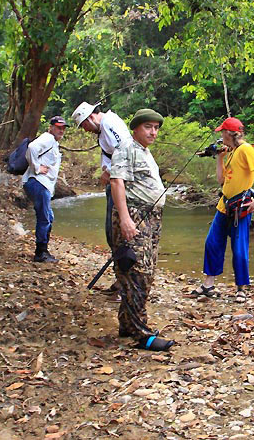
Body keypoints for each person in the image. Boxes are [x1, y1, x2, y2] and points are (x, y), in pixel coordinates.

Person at [109, 109, 174, 351]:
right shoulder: (126, 147)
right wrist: (125, 218)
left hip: (151, 219)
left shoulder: (144, 152)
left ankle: (127, 324)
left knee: (146, 272)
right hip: (135, 216)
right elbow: (117, 181)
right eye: (148, 127)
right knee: (136, 272)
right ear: (136, 128)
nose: (153, 132)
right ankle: (141, 333)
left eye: (156, 127)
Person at [190, 117, 254, 303]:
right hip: (223, 205)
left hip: (240, 207)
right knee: (212, 243)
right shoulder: (232, 152)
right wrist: (219, 158)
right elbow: (221, 180)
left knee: (239, 248)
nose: (220, 136)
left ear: (229, 133)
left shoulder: (246, 150)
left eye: (222, 132)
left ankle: (241, 288)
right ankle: (208, 285)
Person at [73, 101, 131, 298]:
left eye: (84, 126)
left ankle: (125, 282)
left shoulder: (109, 123)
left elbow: (124, 153)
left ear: (90, 117)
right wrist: (105, 171)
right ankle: (120, 279)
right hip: (114, 183)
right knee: (112, 232)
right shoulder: (103, 130)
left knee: (118, 233)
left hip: (122, 185)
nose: (85, 130)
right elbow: (109, 155)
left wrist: (112, 174)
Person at [22, 116, 67, 263]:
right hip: (38, 182)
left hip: (43, 184)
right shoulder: (47, 138)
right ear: (51, 127)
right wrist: (36, 167)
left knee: (48, 217)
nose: (61, 130)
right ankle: (40, 253)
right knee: (45, 218)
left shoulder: (53, 142)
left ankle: (44, 250)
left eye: (63, 128)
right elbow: (31, 148)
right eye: (58, 127)